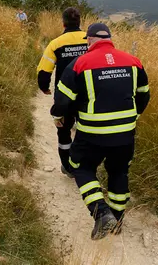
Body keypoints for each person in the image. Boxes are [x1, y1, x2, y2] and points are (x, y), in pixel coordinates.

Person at [51, 23, 150, 240]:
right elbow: (143, 94)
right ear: (110, 39)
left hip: (91, 133)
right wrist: (134, 116)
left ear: (89, 40)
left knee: (81, 167)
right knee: (119, 171)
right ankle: (117, 219)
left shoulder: (80, 64)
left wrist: (58, 116)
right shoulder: (133, 62)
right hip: (125, 132)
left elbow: (62, 100)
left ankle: (101, 212)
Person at [36, 7, 89, 177]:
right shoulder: (90, 39)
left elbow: (44, 70)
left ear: (63, 23)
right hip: (88, 93)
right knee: (86, 128)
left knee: (64, 130)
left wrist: (44, 87)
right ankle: (84, 162)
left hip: (64, 95)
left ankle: (67, 166)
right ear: (80, 22)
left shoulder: (56, 43)